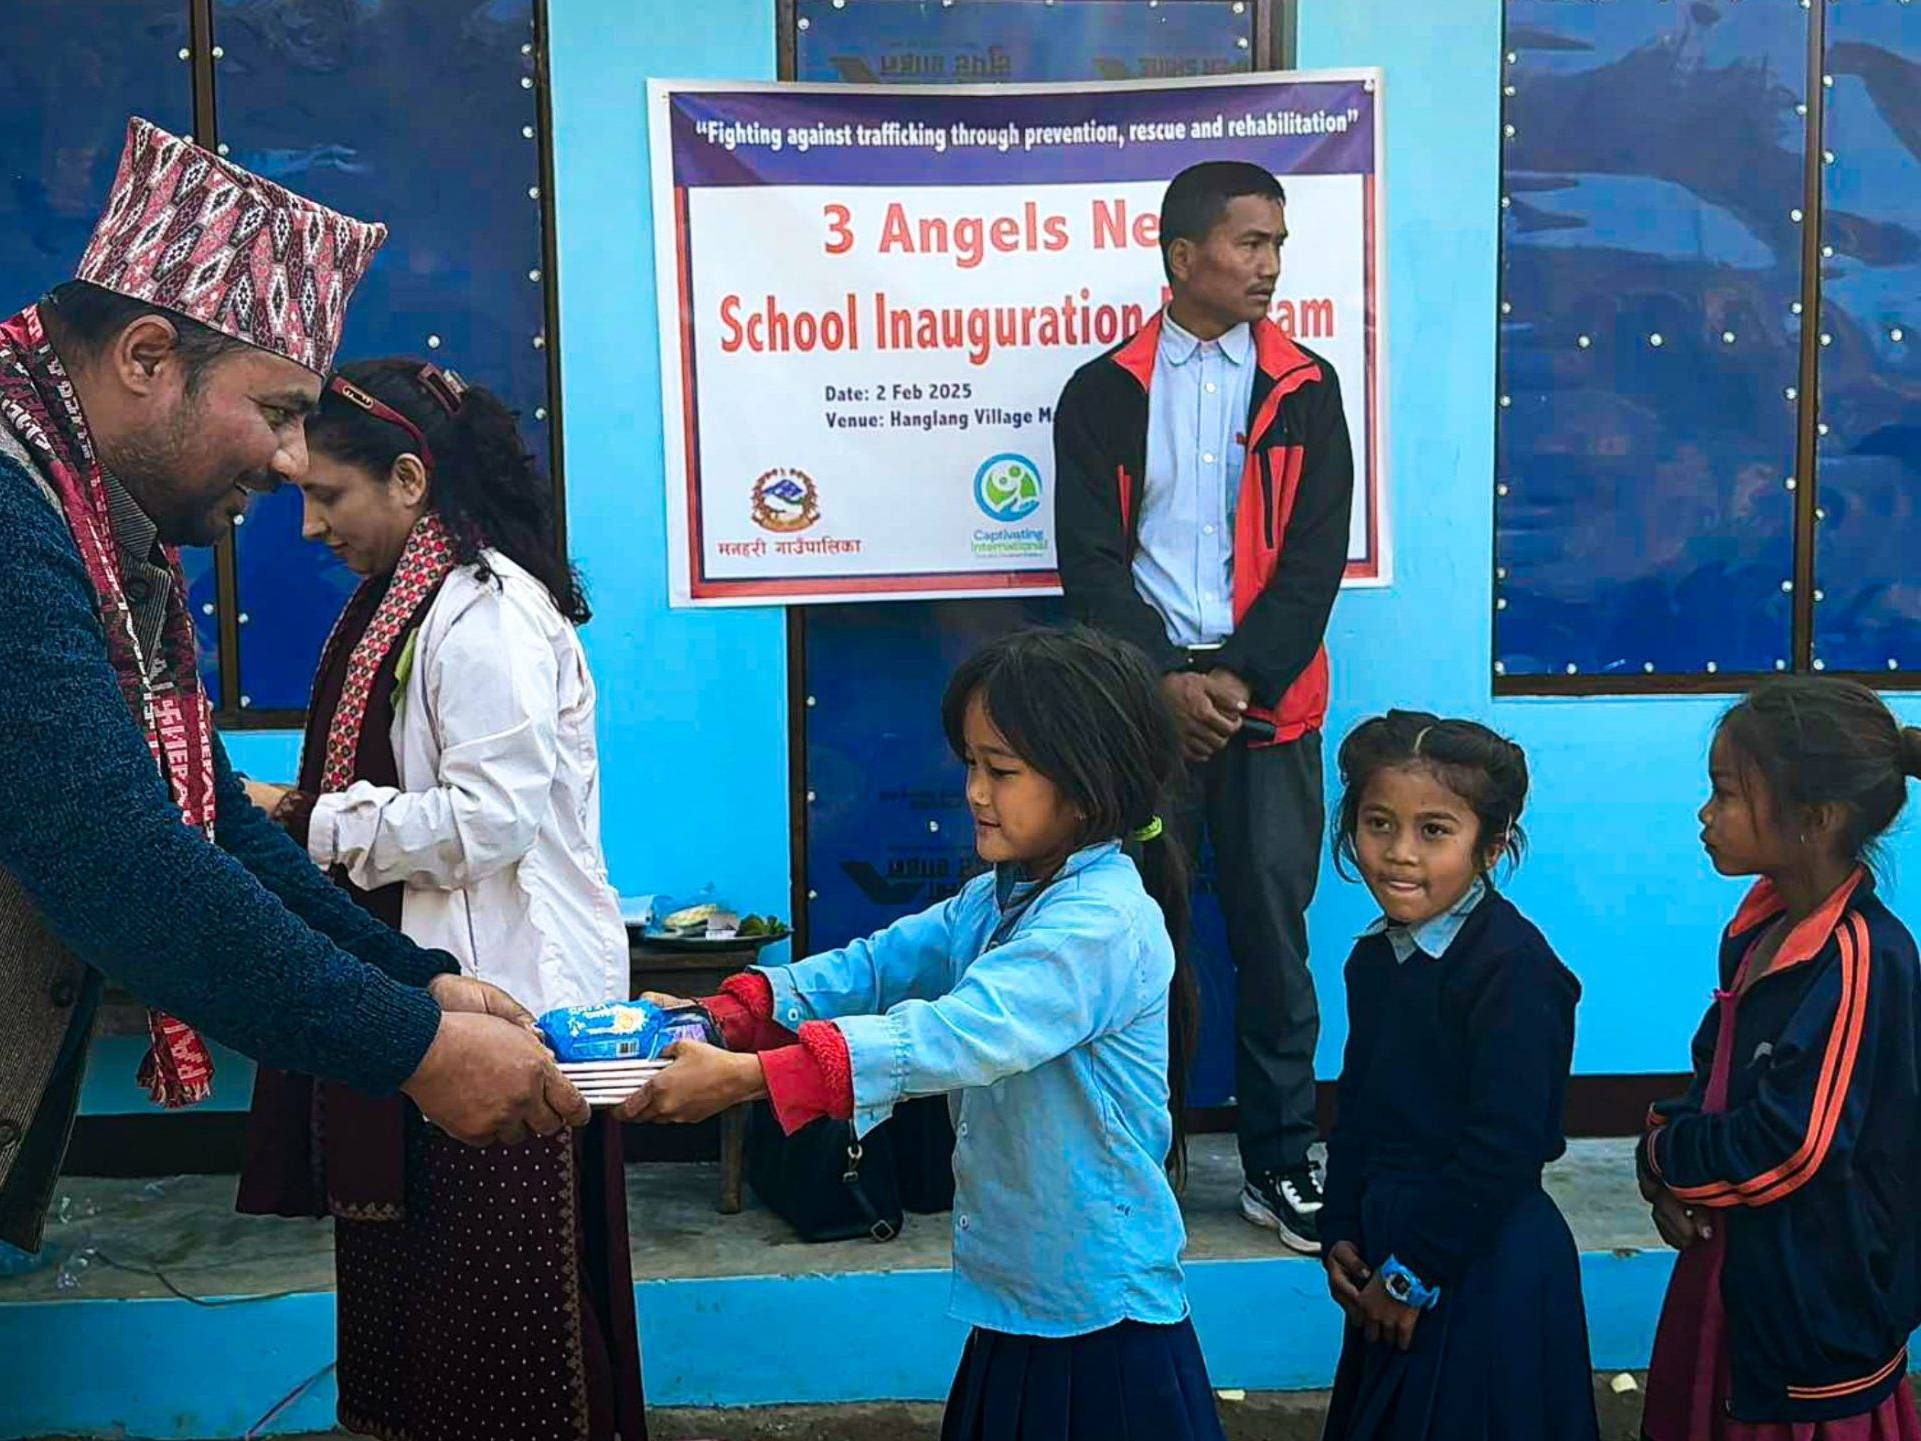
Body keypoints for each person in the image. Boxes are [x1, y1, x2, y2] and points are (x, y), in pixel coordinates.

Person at [0, 117, 583, 1255]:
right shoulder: (13, 514)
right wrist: (413, 1048)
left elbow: (204, 815)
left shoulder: (97, 534)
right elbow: (114, 854)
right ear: (147, 357)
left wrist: (414, 984)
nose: (286, 463)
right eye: (273, 412)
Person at [623, 626, 1227, 1441]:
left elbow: (949, 1036)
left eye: (1002, 770)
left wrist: (745, 1076)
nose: (975, 791)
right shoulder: (1000, 897)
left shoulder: (1099, 923)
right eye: (972, 763)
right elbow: (875, 966)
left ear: (1088, 788)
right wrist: (721, 1013)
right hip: (1025, 1295)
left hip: (1100, 1320)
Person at [234, 359, 643, 1441]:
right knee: (424, 1321)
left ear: (409, 479)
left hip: (507, 1009)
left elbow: (485, 822)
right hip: (430, 1003)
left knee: (509, 1335)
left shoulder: (487, 613)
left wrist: (305, 818)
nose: (312, 526)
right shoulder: (400, 609)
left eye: (329, 496)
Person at [1053, 159, 1355, 1252]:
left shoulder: (1309, 389)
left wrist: (1232, 680)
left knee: (1274, 934)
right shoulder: (1101, 392)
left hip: (1265, 709)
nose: (1269, 265)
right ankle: (1142, 1154)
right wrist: (1163, 684)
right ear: (1184, 257)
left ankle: (1279, 1159)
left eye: (1277, 244)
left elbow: (1315, 565)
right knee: (1140, 936)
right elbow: (1086, 565)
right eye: (1249, 243)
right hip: (1140, 712)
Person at [1639, 680, 1921, 1440]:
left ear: (1813, 820)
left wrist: (1668, 1155)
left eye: (1724, 794)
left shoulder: (1861, 958)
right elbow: (1717, 1072)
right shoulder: (1760, 926)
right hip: (1738, 1264)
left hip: (1814, 1292)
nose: (1704, 813)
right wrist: (1668, 1145)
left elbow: (1795, 1144)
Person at [1315, 713, 1598, 1441]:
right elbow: (1358, 1112)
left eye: (1433, 830)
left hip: (1480, 1259)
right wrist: (1340, 1228)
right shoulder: (1376, 959)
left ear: (1491, 844)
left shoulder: (1514, 970)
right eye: (1378, 823)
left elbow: (1505, 1145)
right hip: (1388, 1256)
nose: (1398, 854)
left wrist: (1414, 1270)